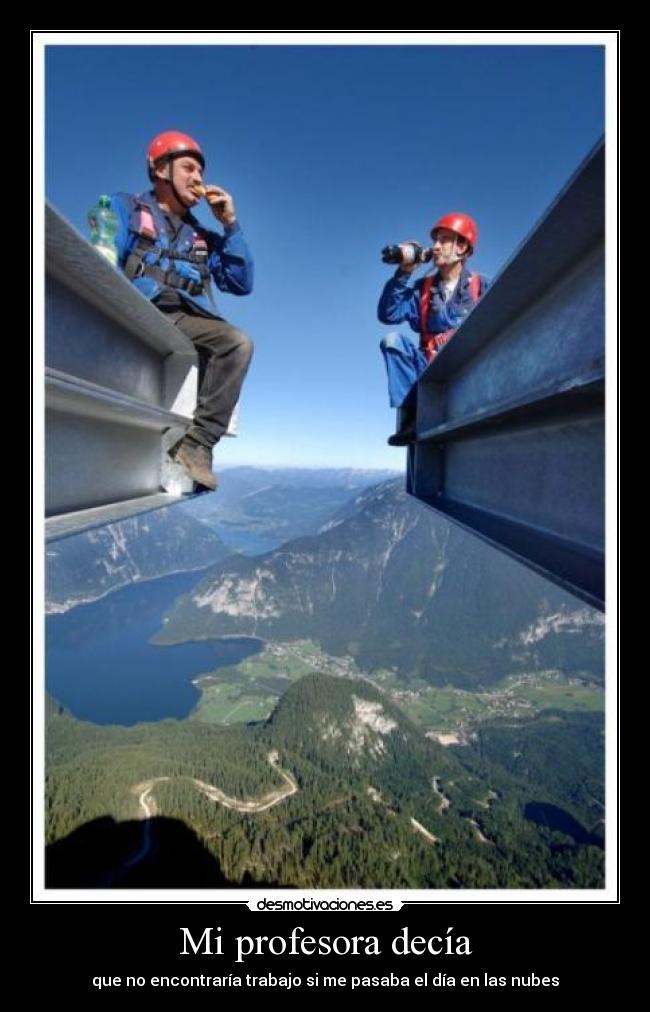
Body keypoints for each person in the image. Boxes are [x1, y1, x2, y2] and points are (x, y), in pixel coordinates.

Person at [101, 130, 254, 490]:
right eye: (188, 168)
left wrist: (230, 224)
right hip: (138, 311)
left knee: (236, 343)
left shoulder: (203, 237)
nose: (198, 178)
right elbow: (102, 260)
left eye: (200, 171)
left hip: (182, 320)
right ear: (159, 169)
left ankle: (198, 445)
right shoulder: (124, 209)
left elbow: (241, 282)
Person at [378, 213, 489, 445]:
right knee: (392, 341)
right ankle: (411, 419)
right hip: (427, 372)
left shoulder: (481, 287)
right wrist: (405, 272)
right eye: (435, 240)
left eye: (443, 240)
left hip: (466, 371)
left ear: (462, 247)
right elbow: (388, 314)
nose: (435, 246)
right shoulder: (423, 290)